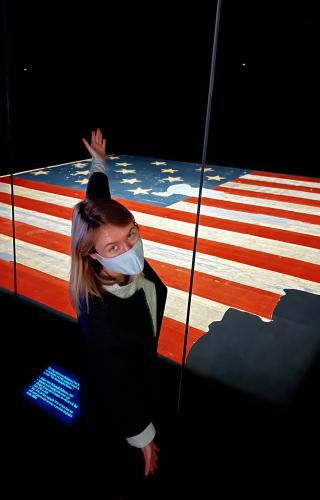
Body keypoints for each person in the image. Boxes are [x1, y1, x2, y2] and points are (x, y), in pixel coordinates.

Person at [69, 128, 168, 498]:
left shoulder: (102, 235)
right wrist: (143, 436)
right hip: (118, 401)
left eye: (132, 233)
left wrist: (98, 162)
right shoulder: (103, 319)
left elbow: (97, 199)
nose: (129, 247)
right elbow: (117, 383)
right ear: (91, 255)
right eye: (113, 246)